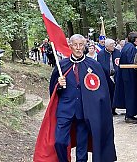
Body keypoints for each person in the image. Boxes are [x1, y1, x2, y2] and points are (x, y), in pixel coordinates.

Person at [34, 34, 116, 162]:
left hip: (84, 111)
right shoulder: (62, 65)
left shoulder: (94, 65)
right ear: (70, 46)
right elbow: (54, 91)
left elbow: (103, 90)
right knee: (59, 141)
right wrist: (59, 85)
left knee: (82, 147)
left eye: (81, 45)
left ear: (85, 46)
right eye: (75, 45)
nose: (78, 48)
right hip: (65, 110)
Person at [113, 32, 137, 123]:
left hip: (126, 75)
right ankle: (129, 115)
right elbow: (132, 62)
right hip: (129, 76)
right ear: (135, 39)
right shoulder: (131, 48)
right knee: (131, 95)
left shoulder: (127, 47)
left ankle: (130, 114)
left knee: (129, 95)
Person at [97, 38, 121, 115]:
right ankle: (109, 109)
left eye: (114, 44)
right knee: (108, 93)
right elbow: (100, 65)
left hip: (116, 75)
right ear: (106, 46)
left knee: (115, 92)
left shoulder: (117, 52)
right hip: (106, 76)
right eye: (111, 45)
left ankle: (114, 108)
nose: (113, 46)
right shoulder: (101, 54)